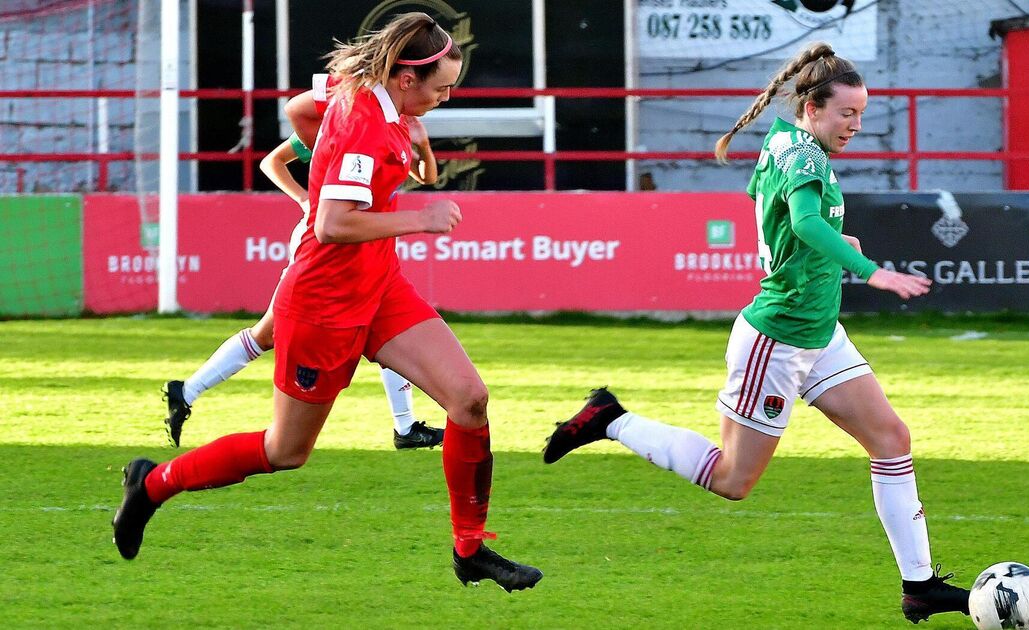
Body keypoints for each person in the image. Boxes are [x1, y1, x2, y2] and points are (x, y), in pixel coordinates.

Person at [113, 13, 542, 592]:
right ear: (405, 77)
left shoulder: (363, 93)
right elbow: (336, 223)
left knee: (469, 401)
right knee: (285, 451)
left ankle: (470, 551)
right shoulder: (365, 123)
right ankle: (153, 484)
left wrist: (330, 151)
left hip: (380, 286)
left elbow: (296, 107)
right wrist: (420, 217)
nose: (445, 98)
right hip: (322, 302)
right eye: (441, 87)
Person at [543, 42, 968, 622]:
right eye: (847, 113)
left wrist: (823, 257)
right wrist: (868, 270)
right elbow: (804, 221)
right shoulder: (807, 161)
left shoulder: (783, 141)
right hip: (779, 338)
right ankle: (612, 419)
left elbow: (780, 224)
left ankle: (920, 587)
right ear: (813, 107)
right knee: (732, 479)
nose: (856, 125)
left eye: (861, 114)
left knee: (892, 439)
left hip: (819, 331)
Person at [160, 74, 444, 452]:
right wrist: (305, 201)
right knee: (267, 335)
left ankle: (406, 426)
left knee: (384, 329)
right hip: (328, 243)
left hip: (367, 244)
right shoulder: (345, 123)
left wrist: (422, 145)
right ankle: (189, 390)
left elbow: (425, 178)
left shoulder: (396, 126)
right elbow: (272, 162)